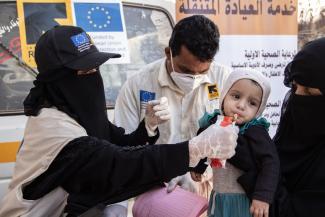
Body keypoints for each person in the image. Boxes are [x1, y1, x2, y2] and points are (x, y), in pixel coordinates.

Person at [0, 25, 239, 217]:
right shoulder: (55, 130)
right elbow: (120, 163)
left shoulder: (75, 113)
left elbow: (118, 142)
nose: (93, 79)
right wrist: (193, 150)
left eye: (95, 69)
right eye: (84, 73)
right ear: (57, 81)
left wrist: (148, 127)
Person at [114, 15, 230, 213]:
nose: (193, 78)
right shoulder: (139, 85)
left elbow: (232, 140)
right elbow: (121, 149)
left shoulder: (224, 80)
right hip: (155, 192)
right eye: (185, 69)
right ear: (168, 53)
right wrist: (117, 205)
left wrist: (199, 171)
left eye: (202, 71)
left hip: (206, 192)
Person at [196, 69, 280, 217]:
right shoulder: (214, 122)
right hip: (218, 196)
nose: (241, 105)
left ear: (258, 110)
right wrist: (198, 166)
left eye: (252, 103)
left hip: (242, 202)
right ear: (224, 96)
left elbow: (271, 162)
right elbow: (203, 143)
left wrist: (262, 197)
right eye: (236, 96)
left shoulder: (254, 130)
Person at [273, 37, 325, 217]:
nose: (298, 98)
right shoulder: (291, 131)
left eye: (310, 92)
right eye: (294, 88)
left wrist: (256, 176)